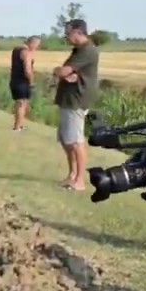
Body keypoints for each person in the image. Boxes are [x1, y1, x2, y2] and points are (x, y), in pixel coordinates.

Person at [52, 18, 101, 191]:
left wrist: (59, 71)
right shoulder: (79, 50)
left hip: (76, 100)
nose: (66, 36)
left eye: (68, 33)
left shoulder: (87, 51)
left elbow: (64, 71)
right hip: (69, 99)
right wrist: (65, 74)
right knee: (66, 139)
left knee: (75, 141)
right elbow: (68, 74)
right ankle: (72, 175)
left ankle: (79, 181)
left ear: (79, 32)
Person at [9, 35, 39, 131]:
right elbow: (27, 70)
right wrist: (31, 82)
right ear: (32, 43)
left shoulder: (16, 50)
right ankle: (17, 127)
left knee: (21, 103)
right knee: (22, 104)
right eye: (36, 45)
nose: (36, 47)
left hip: (14, 80)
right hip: (22, 82)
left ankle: (20, 124)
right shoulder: (26, 53)